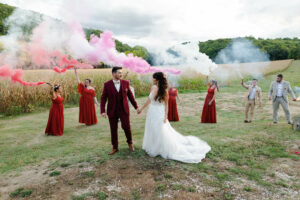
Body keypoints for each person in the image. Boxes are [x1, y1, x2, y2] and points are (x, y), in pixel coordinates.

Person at [138, 72, 211, 163]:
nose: (152, 79)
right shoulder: (153, 88)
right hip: (151, 112)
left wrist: (165, 116)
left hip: (159, 112)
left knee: (161, 130)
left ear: (156, 79)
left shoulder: (164, 90)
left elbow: (166, 105)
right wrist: (141, 108)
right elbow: (149, 100)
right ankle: (153, 146)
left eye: (153, 78)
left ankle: (162, 148)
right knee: (152, 129)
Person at [100, 67, 138, 155]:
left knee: (126, 127)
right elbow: (103, 98)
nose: (121, 74)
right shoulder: (107, 84)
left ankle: (130, 144)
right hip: (112, 110)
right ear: (113, 74)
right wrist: (102, 111)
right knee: (113, 129)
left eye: (121, 73)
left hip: (124, 109)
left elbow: (130, 96)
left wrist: (136, 107)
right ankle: (115, 147)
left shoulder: (125, 83)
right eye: (119, 73)